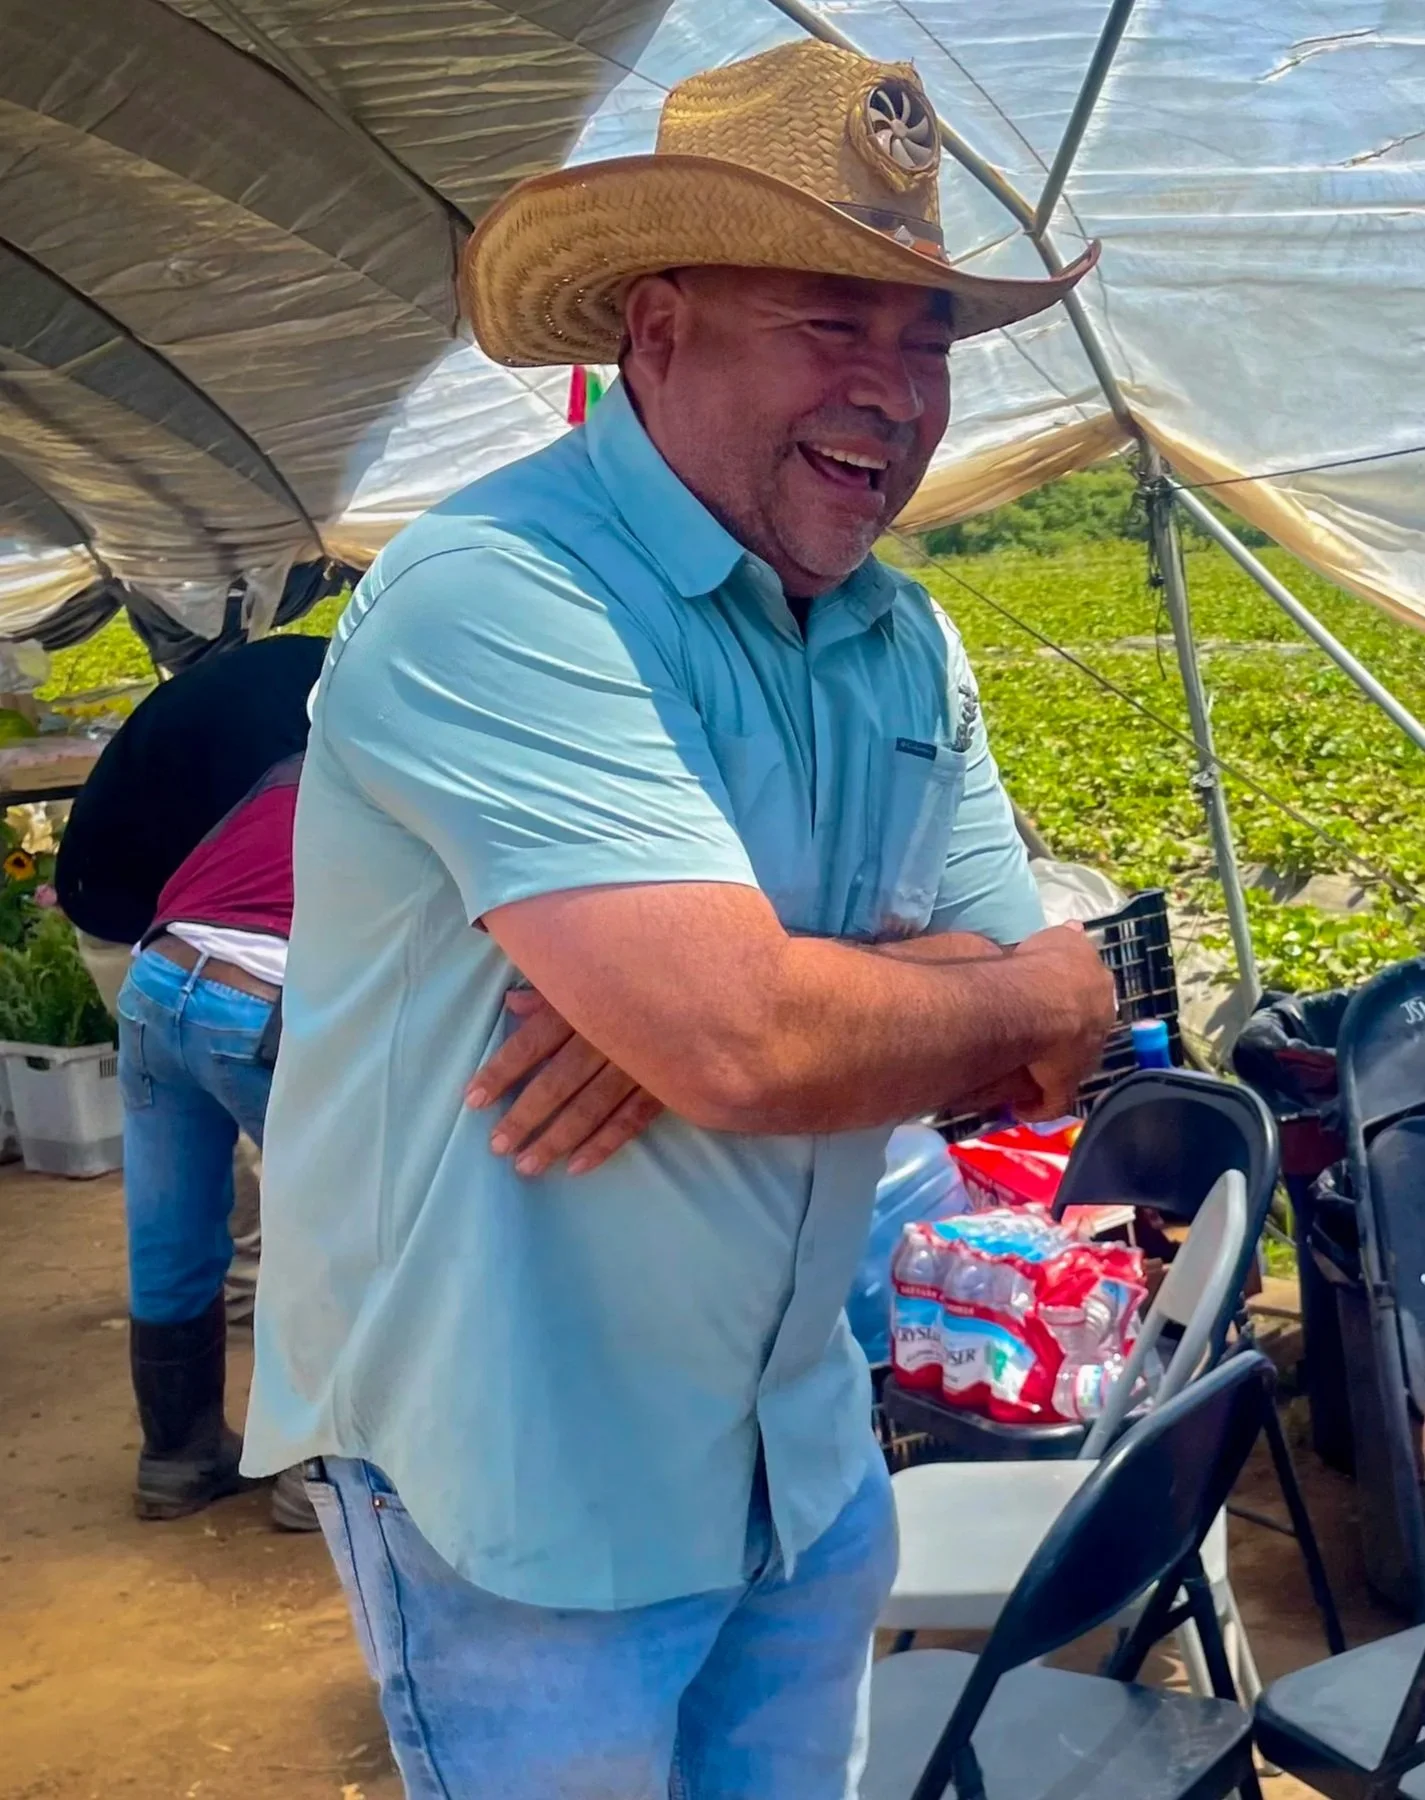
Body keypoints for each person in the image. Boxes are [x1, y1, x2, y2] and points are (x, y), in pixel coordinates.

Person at [243, 40, 1115, 1799]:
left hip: (798, 1451)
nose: (897, 391)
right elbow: (756, 1036)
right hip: (523, 1489)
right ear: (655, 329)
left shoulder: (901, 639)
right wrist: (760, 1021)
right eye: (829, 323)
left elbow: (1047, 1018)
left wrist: (780, 1004)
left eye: (927, 339)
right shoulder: (499, 593)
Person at [57, 633, 327, 1323]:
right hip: (141, 909)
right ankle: (250, 1288)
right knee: (346, 1207)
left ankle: (183, 1429)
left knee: (176, 1194)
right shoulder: (306, 722)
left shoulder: (297, 679)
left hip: (159, 955)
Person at [118, 754, 316, 1531]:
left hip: (156, 983)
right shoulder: (446, 769)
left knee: (170, 1230)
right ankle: (321, 1473)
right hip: (259, 997)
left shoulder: (288, 769)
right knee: (343, 1231)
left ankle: (178, 1457)